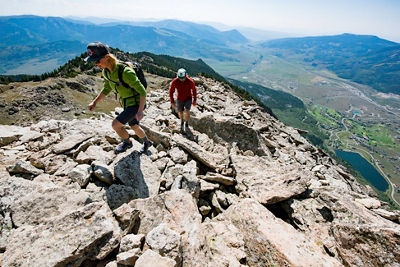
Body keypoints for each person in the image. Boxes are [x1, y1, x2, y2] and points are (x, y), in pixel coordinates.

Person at [85, 41, 152, 153]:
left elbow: (142, 91)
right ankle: (147, 142)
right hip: (127, 103)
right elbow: (107, 88)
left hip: (136, 104)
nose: (96, 64)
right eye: (93, 62)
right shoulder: (106, 72)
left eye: (97, 61)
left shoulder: (125, 72)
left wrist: (140, 111)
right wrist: (95, 102)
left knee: (116, 125)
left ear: (107, 57)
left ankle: (127, 142)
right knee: (134, 126)